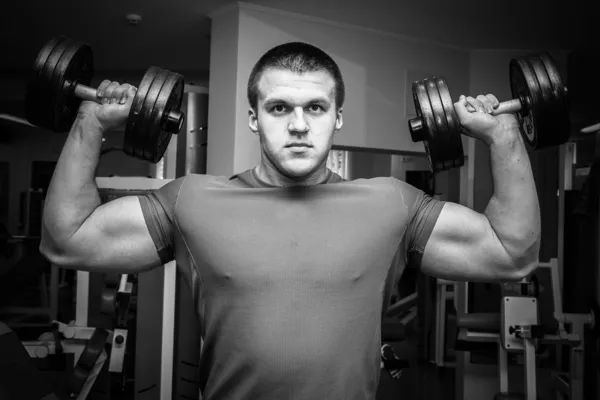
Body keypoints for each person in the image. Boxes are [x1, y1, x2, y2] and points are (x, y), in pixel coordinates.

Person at [40, 42, 540, 399]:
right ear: (254, 116)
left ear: (337, 117)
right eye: (279, 107)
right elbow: (67, 242)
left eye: (316, 108)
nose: (299, 125)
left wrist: (504, 137)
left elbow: (511, 254)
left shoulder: (392, 203)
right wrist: (91, 123)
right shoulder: (191, 200)